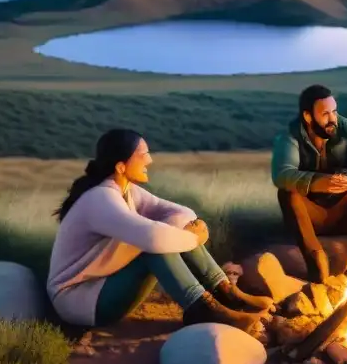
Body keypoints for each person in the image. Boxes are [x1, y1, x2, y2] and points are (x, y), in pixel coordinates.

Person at [46, 129, 274, 339]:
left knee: (167, 234)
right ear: (121, 167)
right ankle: (202, 310)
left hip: (104, 285)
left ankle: (225, 293)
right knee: (155, 245)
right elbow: (154, 239)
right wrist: (192, 238)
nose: (150, 160)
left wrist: (189, 230)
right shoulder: (100, 199)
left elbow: (181, 212)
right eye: (143, 154)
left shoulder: (128, 191)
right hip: (79, 302)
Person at [271, 84, 347, 283]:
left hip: (346, 209)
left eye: (334, 111)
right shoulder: (290, 136)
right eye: (325, 114)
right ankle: (317, 265)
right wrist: (317, 182)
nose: (332, 118)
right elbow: (282, 175)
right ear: (308, 117)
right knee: (287, 194)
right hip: (314, 215)